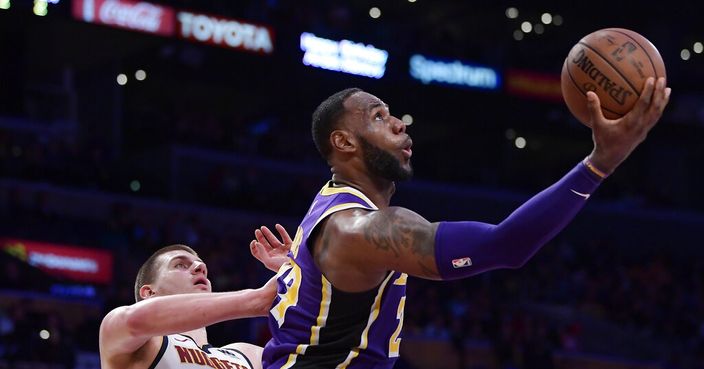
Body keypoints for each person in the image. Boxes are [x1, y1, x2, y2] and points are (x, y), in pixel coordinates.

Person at [259, 79, 671, 368]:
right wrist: (599, 165)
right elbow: (506, 246)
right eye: (379, 117)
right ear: (344, 142)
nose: (400, 123)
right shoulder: (362, 229)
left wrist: (295, 268)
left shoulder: (330, 210)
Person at [100, 225, 292, 369]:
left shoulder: (249, 355)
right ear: (149, 293)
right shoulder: (124, 332)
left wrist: (297, 276)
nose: (200, 268)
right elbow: (135, 320)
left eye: (202, 267)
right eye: (180, 265)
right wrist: (256, 300)